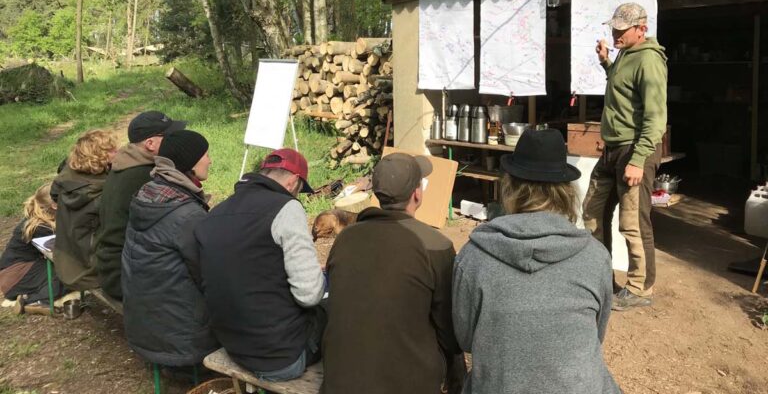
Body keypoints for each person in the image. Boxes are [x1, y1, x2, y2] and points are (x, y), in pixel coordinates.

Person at [453, 129, 620, 394]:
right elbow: (595, 335)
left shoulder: (474, 257)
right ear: (566, 190)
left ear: (510, 186)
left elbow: (465, 339)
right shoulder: (595, 257)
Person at [321, 152, 462, 394]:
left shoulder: (345, 239)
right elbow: (450, 334)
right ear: (417, 194)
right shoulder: (436, 245)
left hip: (339, 382)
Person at [194, 149, 324, 382]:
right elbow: (309, 295)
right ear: (294, 182)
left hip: (234, 346)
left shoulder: (216, 212)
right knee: (335, 305)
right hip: (281, 358)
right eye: (299, 191)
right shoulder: (286, 208)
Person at [582, 2, 668, 310]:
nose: (615, 34)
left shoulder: (649, 61)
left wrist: (638, 159)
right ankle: (599, 275)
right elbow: (623, 91)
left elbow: (656, 117)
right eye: (613, 29)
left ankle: (639, 288)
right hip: (612, 148)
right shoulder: (625, 56)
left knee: (632, 222)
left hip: (634, 149)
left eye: (621, 30)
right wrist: (607, 62)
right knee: (592, 211)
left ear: (641, 29)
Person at [121, 130, 217, 368]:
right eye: (206, 155)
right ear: (190, 164)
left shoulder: (148, 193)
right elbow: (209, 274)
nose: (210, 161)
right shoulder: (185, 214)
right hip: (181, 339)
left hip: (144, 325)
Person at [96, 110, 186, 300]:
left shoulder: (126, 163)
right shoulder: (145, 177)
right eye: (169, 136)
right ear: (150, 144)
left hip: (113, 266)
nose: (175, 140)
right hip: (124, 275)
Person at [52, 129, 117, 291]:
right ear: (99, 156)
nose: (118, 152)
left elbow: (53, 195)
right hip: (88, 272)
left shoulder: (66, 177)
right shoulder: (102, 190)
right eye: (112, 150)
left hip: (65, 261)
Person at [0, 184, 66, 315]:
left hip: (14, 273)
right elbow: (61, 252)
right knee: (68, 276)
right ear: (55, 205)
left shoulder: (40, 217)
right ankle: (33, 300)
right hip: (16, 278)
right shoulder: (41, 227)